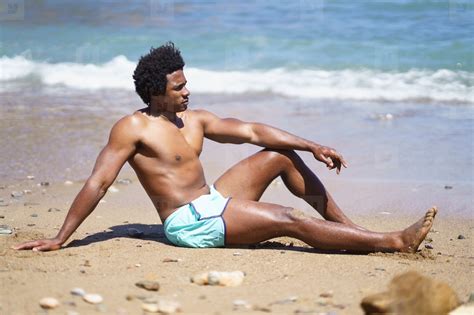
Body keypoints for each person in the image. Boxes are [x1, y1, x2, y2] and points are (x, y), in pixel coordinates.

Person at [13, 42, 437, 252]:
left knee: (278, 157)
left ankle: (355, 232)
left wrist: (312, 145)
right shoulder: (132, 127)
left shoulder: (194, 120)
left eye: (186, 83)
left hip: (212, 200)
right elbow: (99, 182)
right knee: (286, 218)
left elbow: (252, 130)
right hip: (188, 223)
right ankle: (392, 242)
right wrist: (59, 238)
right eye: (178, 87)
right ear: (156, 91)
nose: (187, 91)